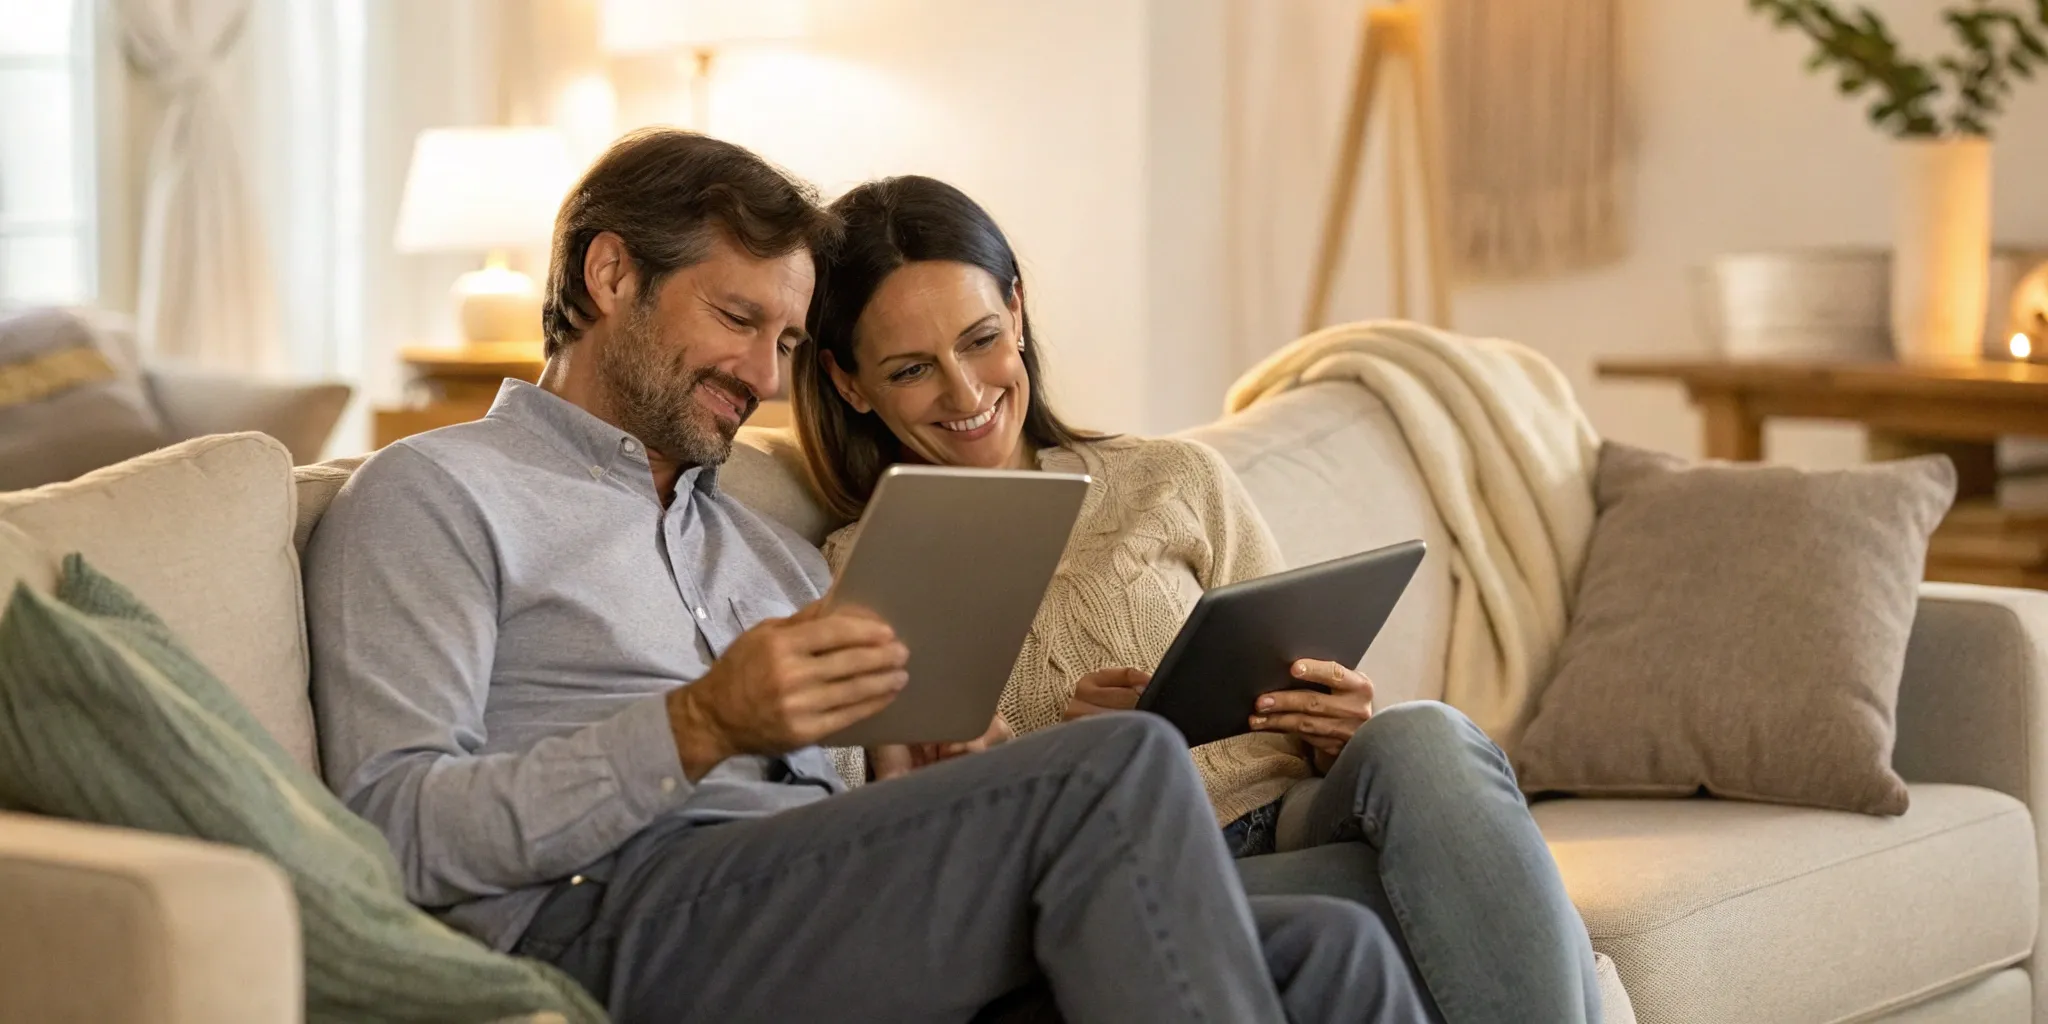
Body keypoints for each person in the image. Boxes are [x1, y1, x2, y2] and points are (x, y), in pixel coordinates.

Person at [304, 128, 1430, 1024]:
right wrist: (696, 725)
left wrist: (916, 776)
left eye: (786, 342)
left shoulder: (766, 548)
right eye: (737, 319)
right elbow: (391, 830)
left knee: (1331, 955)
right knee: (1112, 762)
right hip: (606, 920)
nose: (760, 375)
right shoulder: (435, 495)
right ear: (610, 275)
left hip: (808, 908)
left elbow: (850, 820)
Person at [791, 174, 1603, 1024]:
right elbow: (914, 838)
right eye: (913, 369)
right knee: (1449, 893)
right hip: (1144, 871)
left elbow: (1293, 670)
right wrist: (1077, 760)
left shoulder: (1172, 478)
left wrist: (1334, 723)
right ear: (850, 383)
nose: (964, 394)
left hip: (1295, 817)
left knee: (1425, 733)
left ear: (1019, 314)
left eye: (981, 339)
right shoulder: (864, 572)